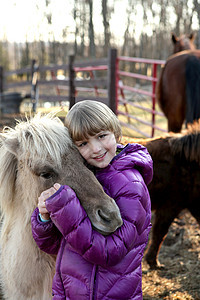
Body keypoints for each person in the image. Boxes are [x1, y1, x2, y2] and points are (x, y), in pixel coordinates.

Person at [31, 100, 153, 300]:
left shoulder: (131, 186)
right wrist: (44, 217)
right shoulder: (83, 180)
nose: (95, 149)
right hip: (71, 292)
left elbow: (109, 252)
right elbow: (56, 246)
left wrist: (65, 209)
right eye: (83, 144)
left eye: (102, 136)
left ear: (115, 131)